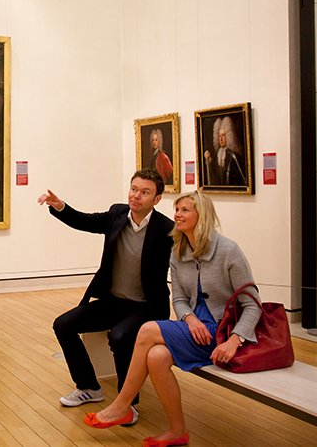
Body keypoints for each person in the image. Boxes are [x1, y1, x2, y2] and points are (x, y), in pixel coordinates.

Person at [83, 190, 261, 447]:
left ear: (203, 215)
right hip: (195, 329)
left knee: (146, 331)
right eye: (177, 209)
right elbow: (178, 299)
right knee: (156, 357)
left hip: (222, 333)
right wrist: (190, 319)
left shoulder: (228, 250)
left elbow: (252, 303)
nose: (177, 214)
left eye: (185, 210)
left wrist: (234, 341)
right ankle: (178, 430)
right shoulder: (178, 251)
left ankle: (122, 405)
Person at [37, 169, 174, 419]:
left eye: (145, 192)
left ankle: (128, 403)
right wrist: (60, 207)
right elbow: (85, 221)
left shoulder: (166, 229)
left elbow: (185, 261)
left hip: (146, 307)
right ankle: (89, 387)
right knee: (63, 325)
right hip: (114, 302)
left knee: (121, 337)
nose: (136, 196)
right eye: (134, 189)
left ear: (157, 199)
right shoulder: (117, 214)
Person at [203, 116, 246, 186]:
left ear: (229, 136)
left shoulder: (233, 155)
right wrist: (208, 162)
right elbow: (214, 177)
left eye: (223, 135)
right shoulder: (217, 155)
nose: (221, 139)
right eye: (219, 136)